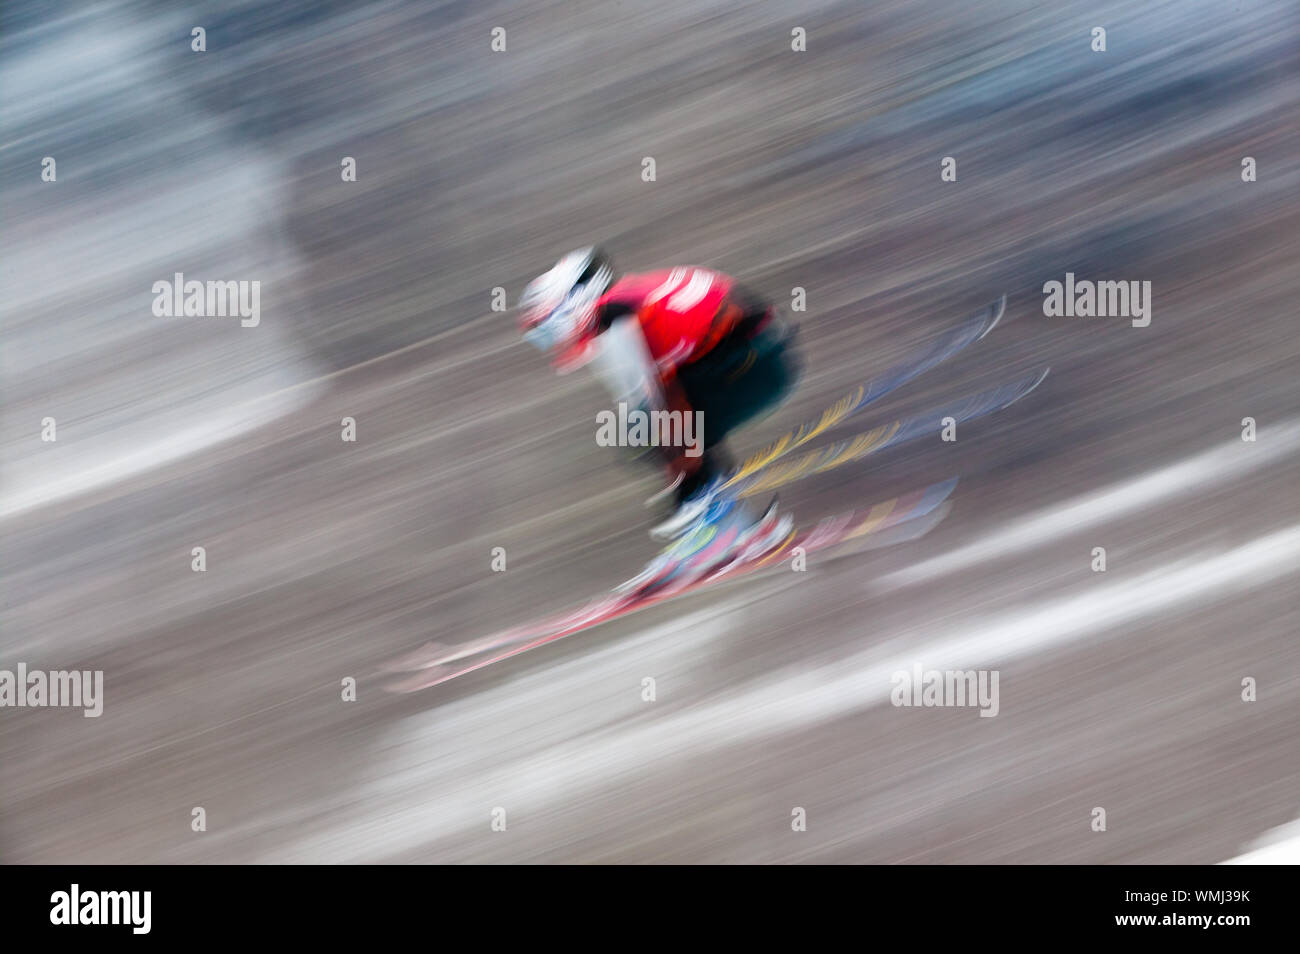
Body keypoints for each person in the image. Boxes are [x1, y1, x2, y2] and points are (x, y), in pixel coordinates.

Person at [517, 247, 801, 575]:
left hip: (756, 362)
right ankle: (727, 525)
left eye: (548, 331)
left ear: (574, 305)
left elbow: (654, 405)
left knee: (651, 433)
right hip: (760, 355)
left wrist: (684, 494)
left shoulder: (612, 317)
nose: (552, 344)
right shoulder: (619, 305)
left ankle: (720, 529)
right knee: (653, 432)